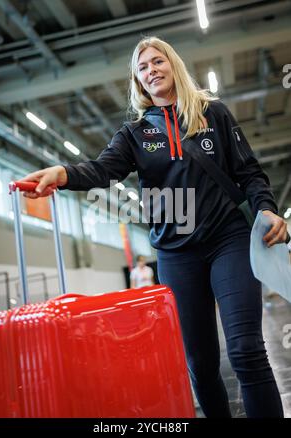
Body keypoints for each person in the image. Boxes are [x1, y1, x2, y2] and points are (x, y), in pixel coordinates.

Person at [21, 37, 289, 418]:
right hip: (176, 253)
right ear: (139, 82)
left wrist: (267, 208)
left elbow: (249, 172)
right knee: (201, 364)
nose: (152, 70)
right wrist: (63, 174)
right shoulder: (133, 135)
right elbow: (101, 170)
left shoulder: (213, 114)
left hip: (228, 239)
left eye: (157, 61)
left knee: (246, 349)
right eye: (143, 68)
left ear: (172, 65)